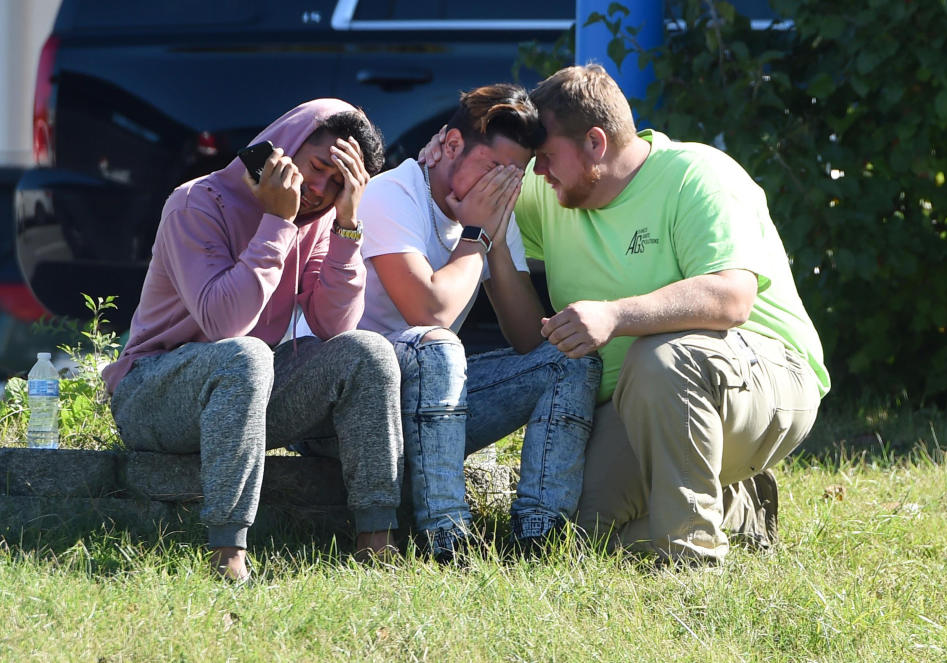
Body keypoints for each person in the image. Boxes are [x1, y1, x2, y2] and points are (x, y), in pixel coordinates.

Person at [428, 65, 829, 566]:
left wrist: (616, 315)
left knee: (661, 358)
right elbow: (465, 190)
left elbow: (732, 298)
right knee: (572, 537)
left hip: (766, 384)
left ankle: (692, 559)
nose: (538, 172)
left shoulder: (699, 175)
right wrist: (430, 166)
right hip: (639, 407)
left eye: (547, 157)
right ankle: (736, 506)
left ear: (596, 143)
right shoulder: (554, 190)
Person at [102, 99, 404, 580]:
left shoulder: (323, 221)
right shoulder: (194, 202)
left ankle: (376, 541)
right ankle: (228, 553)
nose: (318, 191)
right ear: (284, 149)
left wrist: (347, 227)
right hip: (153, 392)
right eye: (318, 168)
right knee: (244, 354)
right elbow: (225, 323)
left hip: (244, 387)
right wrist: (278, 224)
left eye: (339, 184)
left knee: (368, 351)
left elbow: (335, 327)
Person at [337, 83, 601, 561]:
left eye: (514, 176)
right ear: (452, 145)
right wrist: (475, 237)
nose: (500, 187)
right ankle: (448, 538)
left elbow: (526, 338)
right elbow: (430, 311)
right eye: (492, 169)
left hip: (436, 401)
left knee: (570, 360)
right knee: (436, 342)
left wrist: (494, 239)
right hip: (363, 410)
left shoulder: (488, 214)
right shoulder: (390, 194)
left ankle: (540, 535)